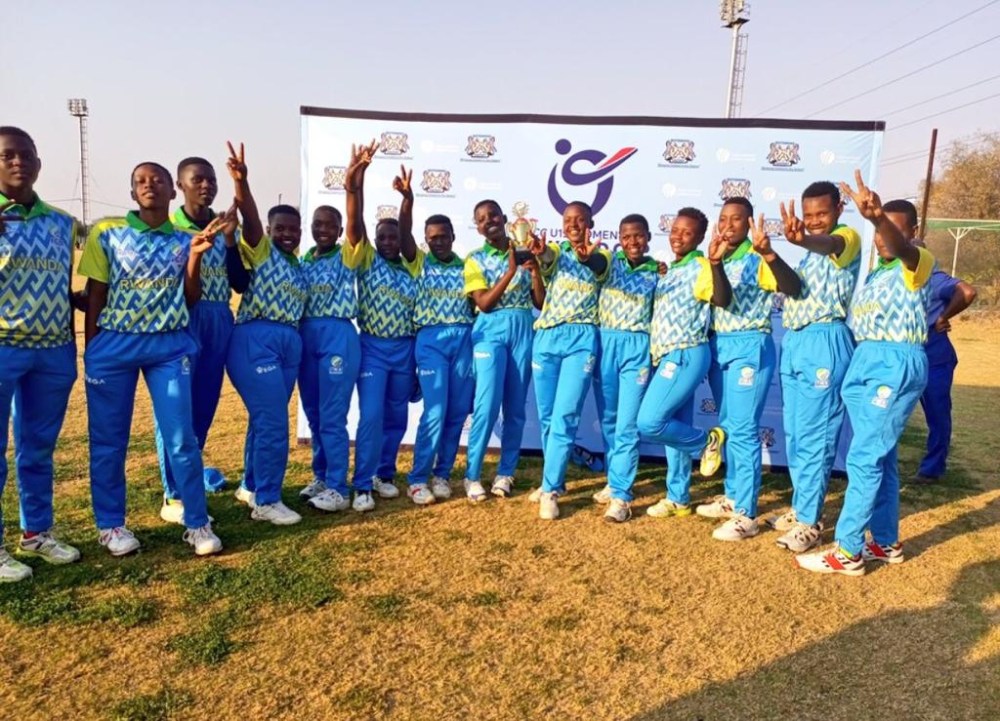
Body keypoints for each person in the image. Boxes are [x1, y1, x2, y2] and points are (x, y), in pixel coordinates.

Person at [78, 161, 228, 556]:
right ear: (132, 193)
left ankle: (197, 523)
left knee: (182, 438)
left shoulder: (185, 239)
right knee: (109, 441)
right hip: (114, 347)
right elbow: (96, 293)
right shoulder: (107, 233)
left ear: (172, 191)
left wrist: (194, 257)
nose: (149, 186)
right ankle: (111, 526)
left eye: (157, 180)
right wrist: (92, 349)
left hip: (168, 347)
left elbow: (191, 298)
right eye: (141, 182)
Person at [796, 180, 934, 576]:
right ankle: (886, 542)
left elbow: (903, 249)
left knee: (863, 457)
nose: (883, 237)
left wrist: (876, 218)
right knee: (880, 457)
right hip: (867, 360)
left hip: (895, 363)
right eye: (878, 231)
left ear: (912, 231)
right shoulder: (877, 273)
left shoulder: (918, 261)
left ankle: (848, 551)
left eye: (893, 229)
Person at [0, 126, 81, 581]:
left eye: (26, 155)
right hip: (3, 346)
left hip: (52, 349)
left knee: (37, 450)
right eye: (7, 155)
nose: (18, 162)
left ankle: (36, 532)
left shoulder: (60, 223)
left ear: (38, 164)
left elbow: (58, 284)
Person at [699, 199, 801, 540]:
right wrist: (715, 262)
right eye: (723, 218)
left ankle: (747, 514)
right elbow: (719, 299)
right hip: (720, 345)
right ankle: (732, 497)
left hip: (749, 345)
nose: (728, 225)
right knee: (728, 426)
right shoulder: (716, 256)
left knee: (742, 430)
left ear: (748, 224)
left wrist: (768, 253)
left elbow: (792, 287)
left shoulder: (756, 258)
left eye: (736, 219)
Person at [768, 182, 862, 553]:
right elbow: (793, 289)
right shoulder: (808, 255)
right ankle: (801, 507)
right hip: (795, 341)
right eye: (809, 216)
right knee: (795, 433)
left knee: (815, 436)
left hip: (825, 341)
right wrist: (774, 253)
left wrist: (804, 238)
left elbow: (830, 244)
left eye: (822, 213)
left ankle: (810, 523)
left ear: (838, 209)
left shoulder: (847, 238)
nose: (815, 221)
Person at [157, 149, 244, 525]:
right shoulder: (169, 229)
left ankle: (190, 477)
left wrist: (230, 239)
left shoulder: (225, 227)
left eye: (211, 179)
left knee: (204, 406)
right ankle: (173, 494)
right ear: (180, 186)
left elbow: (239, 282)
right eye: (198, 179)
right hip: (183, 319)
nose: (206, 185)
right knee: (176, 409)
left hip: (219, 317)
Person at [227, 146, 307, 526]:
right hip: (255, 339)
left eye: (293, 230)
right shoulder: (261, 252)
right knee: (274, 422)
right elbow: (250, 217)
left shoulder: (298, 267)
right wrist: (241, 182)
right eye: (281, 229)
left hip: (289, 343)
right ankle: (268, 501)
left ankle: (251, 484)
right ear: (270, 231)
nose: (287, 234)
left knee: (264, 420)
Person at [636, 208, 731, 521]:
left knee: (649, 422)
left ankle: (707, 442)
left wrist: (715, 264)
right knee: (672, 427)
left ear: (700, 237)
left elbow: (721, 298)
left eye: (687, 232)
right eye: (675, 230)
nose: (678, 236)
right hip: (668, 355)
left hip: (686, 353)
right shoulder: (671, 269)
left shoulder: (701, 266)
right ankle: (677, 498)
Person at [342, 142, 421, 511]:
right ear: (374, 240)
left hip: (405, 349)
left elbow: (407, 230)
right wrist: (357, 178)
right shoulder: (367, 259)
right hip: (373, 347)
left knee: (396, 417)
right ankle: (362, 485)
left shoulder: (413, 265)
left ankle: (384, 474)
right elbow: (355, 219)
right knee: (371, 416)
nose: (389, 242)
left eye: (394, 237)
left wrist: (407, 201)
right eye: (383, 237)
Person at [527, 202, 612, 521]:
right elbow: (547, 258)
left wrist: (587, 257)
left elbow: (598, 263)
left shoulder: (604, 255)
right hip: (546, 338)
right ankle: (554, 481)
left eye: (580, 219)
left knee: (564, 416)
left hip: (581, 340)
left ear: (591, 222)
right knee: (548, 418)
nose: (573, 225)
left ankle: (549, 491)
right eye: (567, 220)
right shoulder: (555, 251)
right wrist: (541, 254)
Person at [461, 200, 544, 502]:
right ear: (478, 227)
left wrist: (534, 271)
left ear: (506, 219)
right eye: (482, 219)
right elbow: (484, 303)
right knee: (486, 406)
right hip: (489, 331)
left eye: (493, 215)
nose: (489, 221)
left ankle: (505, 473)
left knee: (515, 408)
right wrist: (510, 271)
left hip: (522, 326)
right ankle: (472, 475)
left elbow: (539, 303)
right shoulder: (475, 259)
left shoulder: (525, 248)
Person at [589, 214, 660, 523]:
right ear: (619, 239)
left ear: (648, 238)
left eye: (639, 235)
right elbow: (596, 263)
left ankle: (621, 496)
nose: (633, 242)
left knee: (627, 425)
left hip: (638, 347)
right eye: (627, 236)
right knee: (609, 419)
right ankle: (613, 477)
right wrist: (588, 256)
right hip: (606, 343)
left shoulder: (657, 272)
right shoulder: (610, 263)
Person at [405, 211, 476, 504]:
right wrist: (407, 201)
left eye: (443, 237)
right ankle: (417, 479)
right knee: (435, 411)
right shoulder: (419, 263)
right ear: (425, 240)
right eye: (432, 238)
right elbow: (404, 236)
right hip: (431, 340)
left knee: (457, 412)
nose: (438, 242)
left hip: (463, 340)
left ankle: (442, 474)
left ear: (453, 237)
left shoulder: (467, 266)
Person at [296, 202, 360, 513]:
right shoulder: (303, 261)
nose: (322, 229)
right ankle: (321, 477)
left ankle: (338, 488)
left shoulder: (347, 256)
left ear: (340, 230)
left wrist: (352, 187)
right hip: (305, 336)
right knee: (314, 414)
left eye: (330, 225)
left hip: (337, 336)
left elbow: (356, 224)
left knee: (332, 416)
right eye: (317, 224)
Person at [910, 238, 977, 485]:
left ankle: (932, 469)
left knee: (937, 414)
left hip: (934, 357)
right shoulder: (899, 280)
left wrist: (943, 317)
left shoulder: (934, 279)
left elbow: (968, 292)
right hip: (906, 355)